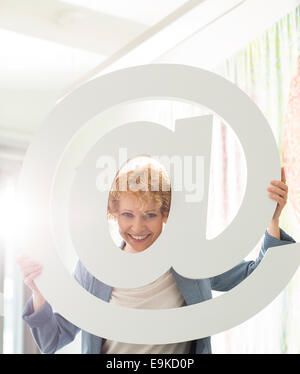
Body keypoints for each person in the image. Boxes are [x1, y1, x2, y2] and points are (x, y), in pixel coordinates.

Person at [17, 158, 295, 354]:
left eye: (149, 215)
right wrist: (40, 293)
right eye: (127, 215)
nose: (137, 228)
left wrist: (271, 221)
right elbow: (52, 340)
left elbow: (254, 277)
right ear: (113, 214)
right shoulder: (94, 268)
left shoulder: (189, 261)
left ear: (165, 215)